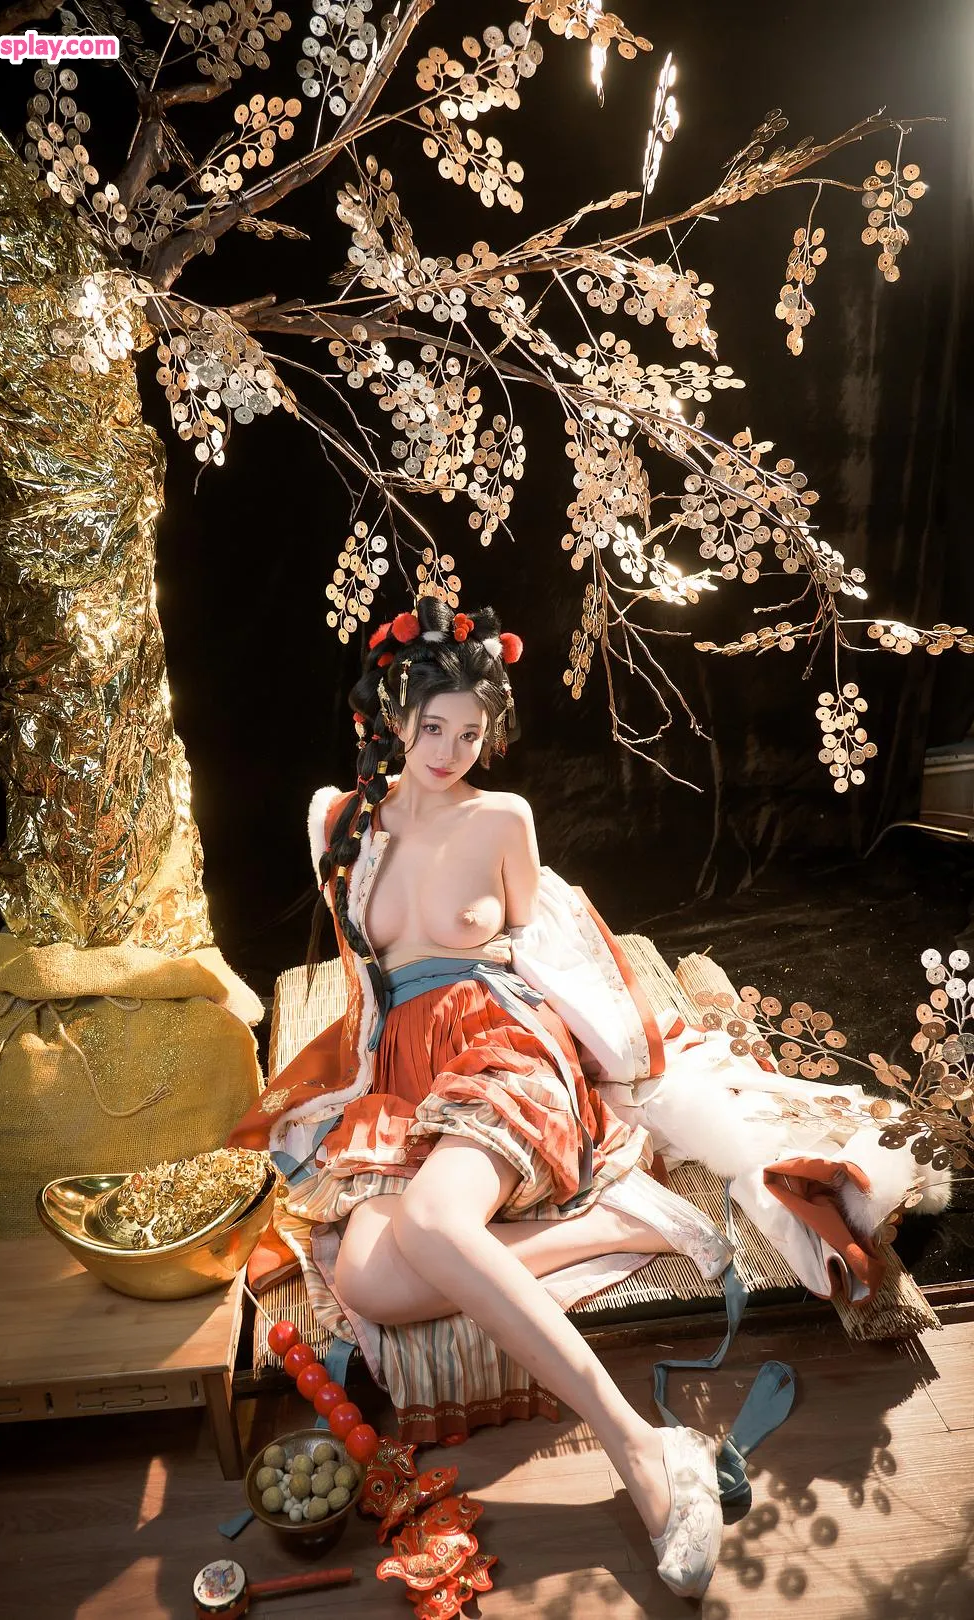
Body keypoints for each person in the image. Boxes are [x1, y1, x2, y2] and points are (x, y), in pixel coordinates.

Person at [231, 597, 739, 1598]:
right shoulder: (342, 824)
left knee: (430, 1221)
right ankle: (614, 1226)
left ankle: (642, 1448)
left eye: (471, 734)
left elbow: (537, 936)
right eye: (433, 728)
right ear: (393, 716)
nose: (450, 752)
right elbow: (365, 974)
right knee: (369, 1280)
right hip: (407, 1070)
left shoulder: (504, 819)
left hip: (500, 1038)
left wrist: (603, 1050)